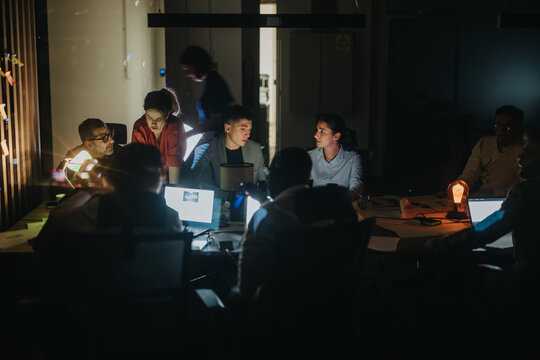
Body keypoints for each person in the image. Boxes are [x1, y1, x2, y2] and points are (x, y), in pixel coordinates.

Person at [33, 143, 183, 255]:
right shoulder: (171, 217)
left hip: (105, 295)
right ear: (159, 177)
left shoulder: (98, 209)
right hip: (156, 296)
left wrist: (91, 191)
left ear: (116, 177)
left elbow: (58, 216)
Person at [181, 105, 266, 197]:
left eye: (249, 129)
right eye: (243, 129)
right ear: (228, 128)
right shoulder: (207, 149)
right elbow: (201, 185)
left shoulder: (255, 149)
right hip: (217, 205)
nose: (247, 134)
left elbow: (262, 183)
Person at [452, 105, 524, 197]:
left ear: (518, 128)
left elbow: (524, 187)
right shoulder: (484, 143)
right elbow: (470, 173)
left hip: (508, 200)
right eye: (498, 125)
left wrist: (494, 193)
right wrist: (458, 187)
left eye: (508, 127)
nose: (502, 131)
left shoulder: (523, 151)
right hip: (482, 197)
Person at [180, 45, 236, 142]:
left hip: (216, 140)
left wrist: (190, 133)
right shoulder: (211, 81)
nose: (187, 74)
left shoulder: (215, 83)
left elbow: (216, 119)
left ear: (197, 65)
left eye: (188, 69)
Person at [132, 88, 187, 184]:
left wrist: (171, 191)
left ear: (167, 115)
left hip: (174, 173)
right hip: (148, 175)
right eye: (149, 117)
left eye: (158, 119)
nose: (153, 123)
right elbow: (139, 162)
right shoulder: (140, 127)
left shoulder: (174, 126)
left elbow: (174, 164)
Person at [49, 118, 115, 199]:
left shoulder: (121, 155)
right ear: (89, 145)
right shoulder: (77, 158)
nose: (112, 141)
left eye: (110, 134)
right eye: (104, 138)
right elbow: (55, 192)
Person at [308, 113, 363, 200]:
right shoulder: (310, 157)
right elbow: (299, 183)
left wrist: (342, 198)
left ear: (336, 136)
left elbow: (356, 185)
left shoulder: (352, 158)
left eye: (322, 131)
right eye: (317, 130)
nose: (316, 135)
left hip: (343, 206)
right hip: (317, 206)